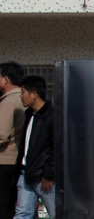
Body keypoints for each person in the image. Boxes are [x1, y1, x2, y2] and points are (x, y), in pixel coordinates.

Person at [14, 76, 55, 219]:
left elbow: (55, 147)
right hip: (26, 173)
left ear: (34, 94)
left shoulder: (51, 116)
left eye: (23, 92)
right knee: (22, 213)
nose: (21, 96)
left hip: (44, 177)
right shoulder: (29, 114)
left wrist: (49, 175)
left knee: (55, 212)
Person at [0, 62, 25, 219]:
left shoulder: (9, 101)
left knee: (4, 206)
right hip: (17, 160)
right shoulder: (23, 97)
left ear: (5, 79)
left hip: (5, 160)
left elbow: (1, 134)